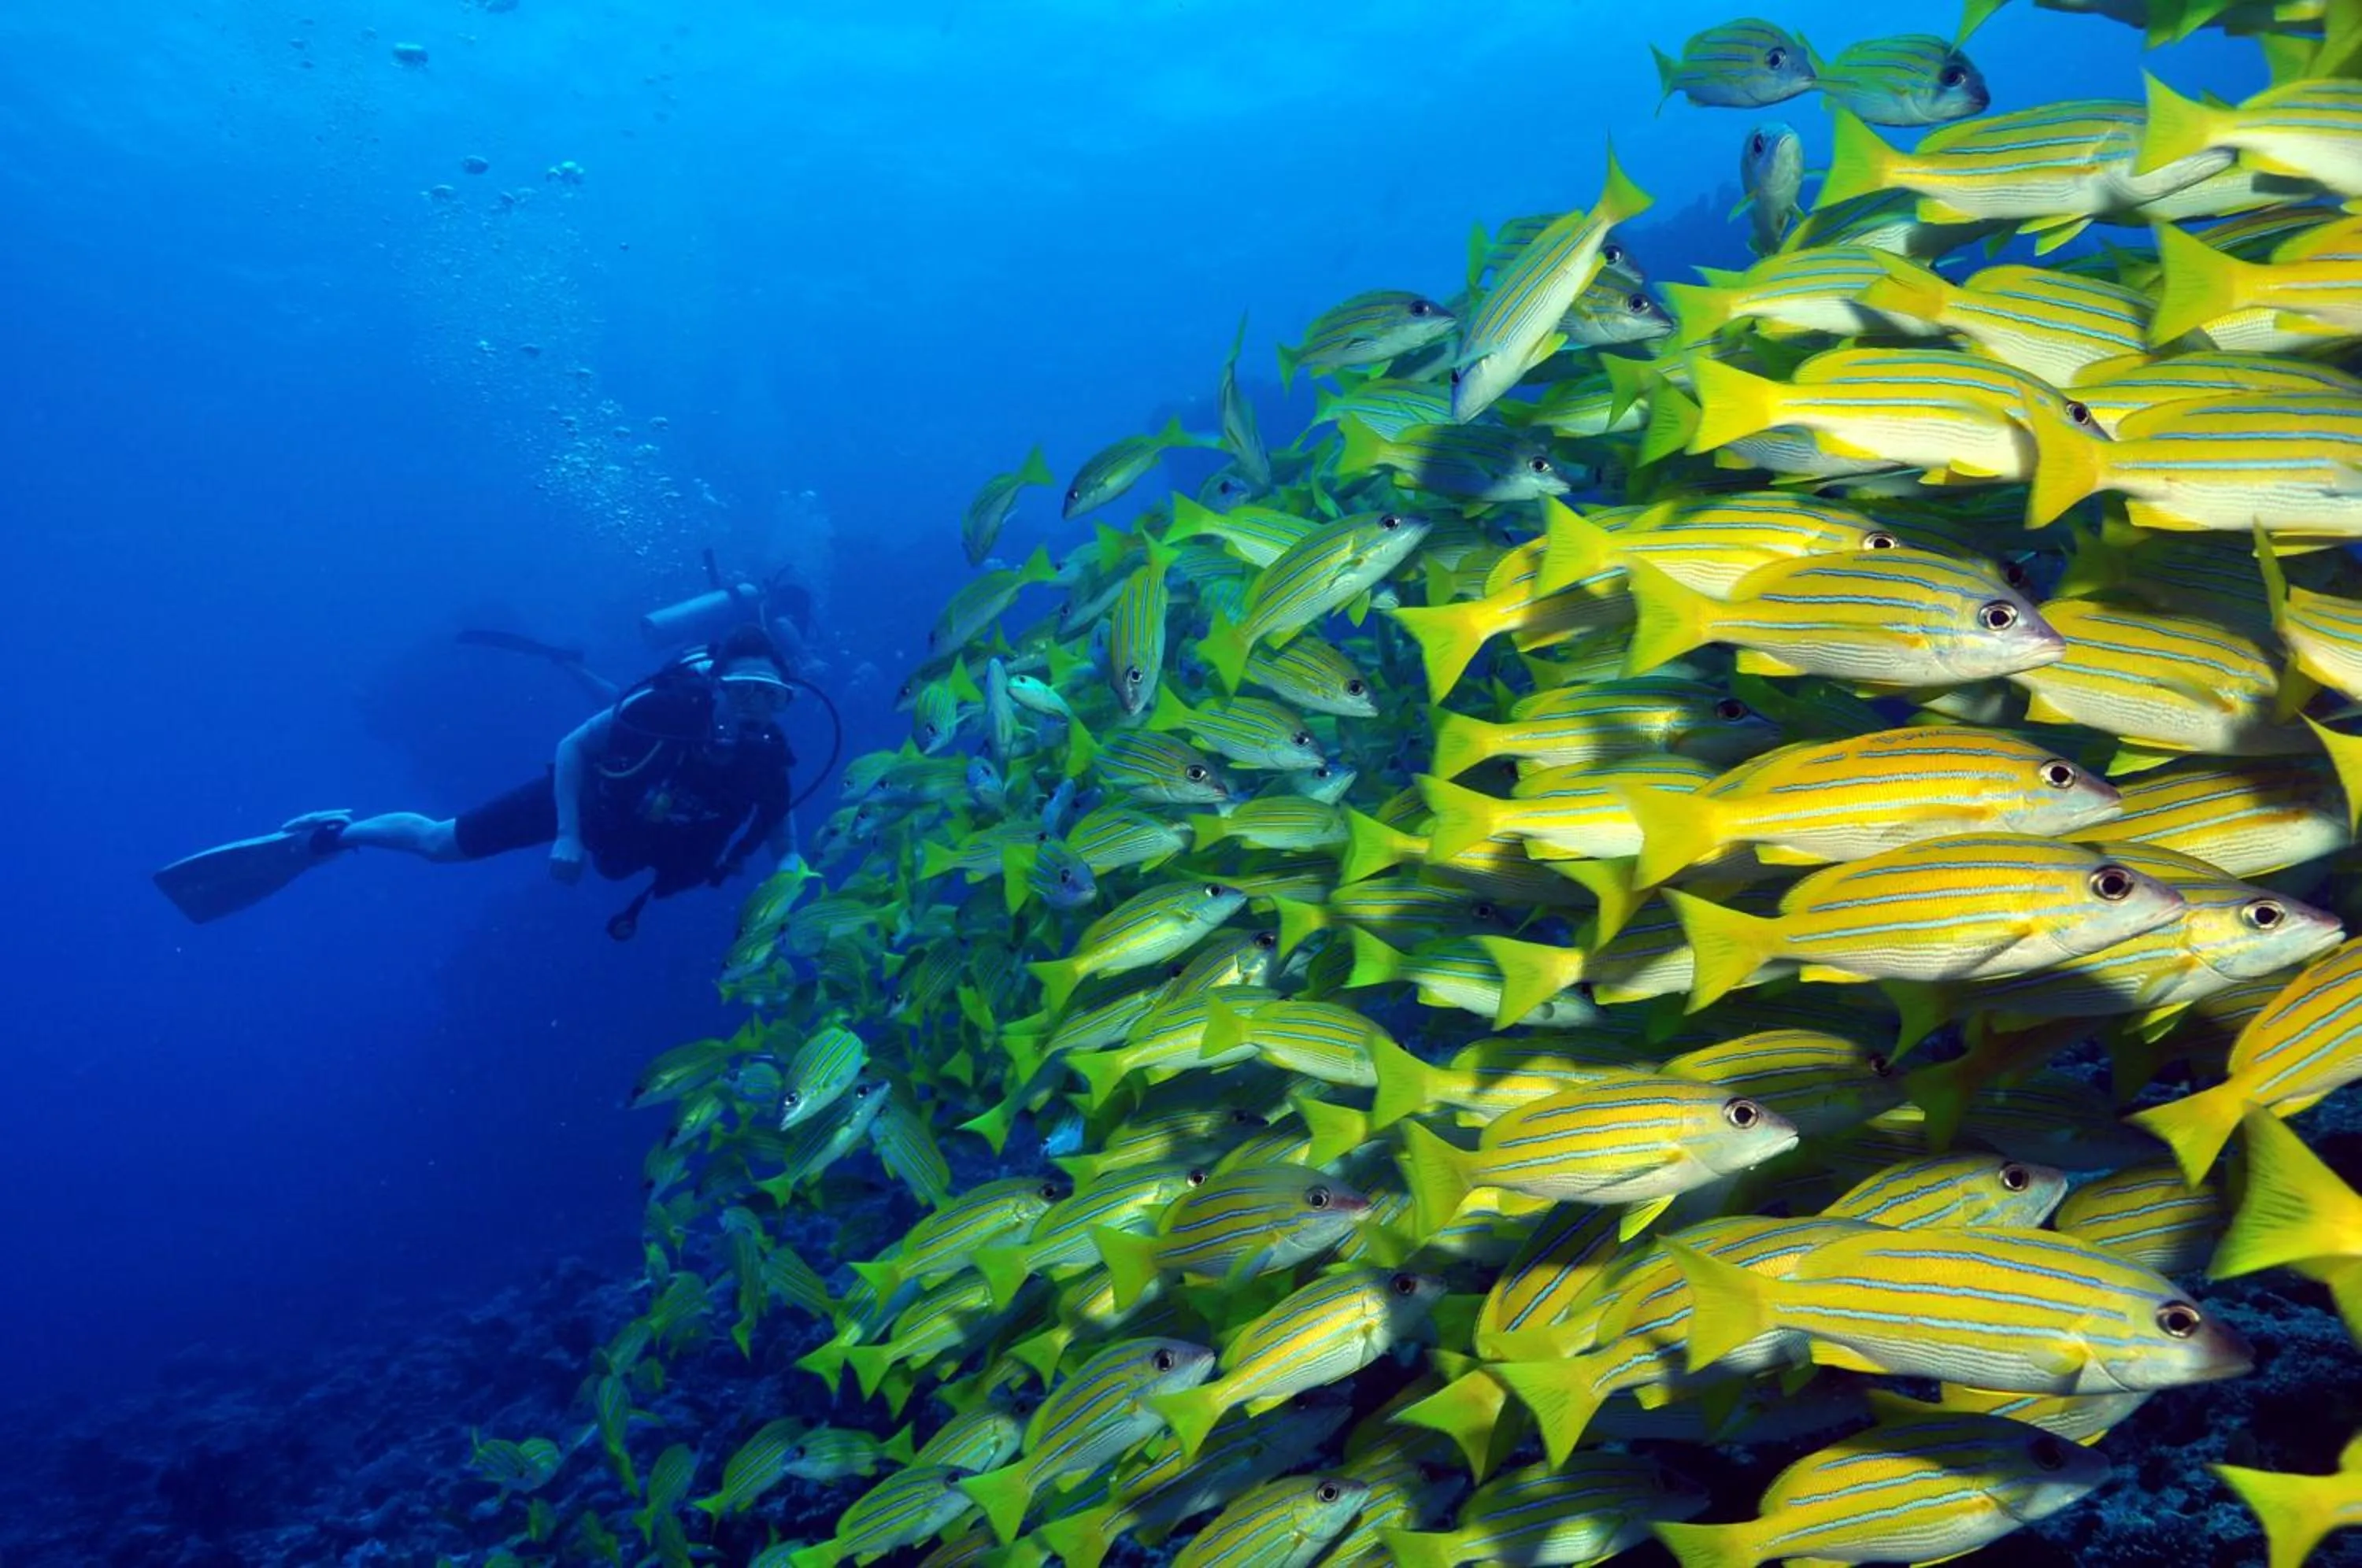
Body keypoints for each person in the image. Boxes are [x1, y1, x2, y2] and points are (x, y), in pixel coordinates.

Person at [156, 625, 799, 934]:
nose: (753, 707)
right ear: (715, 684)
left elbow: (779, 827)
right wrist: (568, 835)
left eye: (769, 697)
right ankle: (332, 833)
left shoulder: (770, 753)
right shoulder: (666, 705)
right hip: (590, 802)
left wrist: (794, 876)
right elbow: (574, 746)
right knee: (439, 844)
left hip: (650, 840)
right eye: (743, 689)